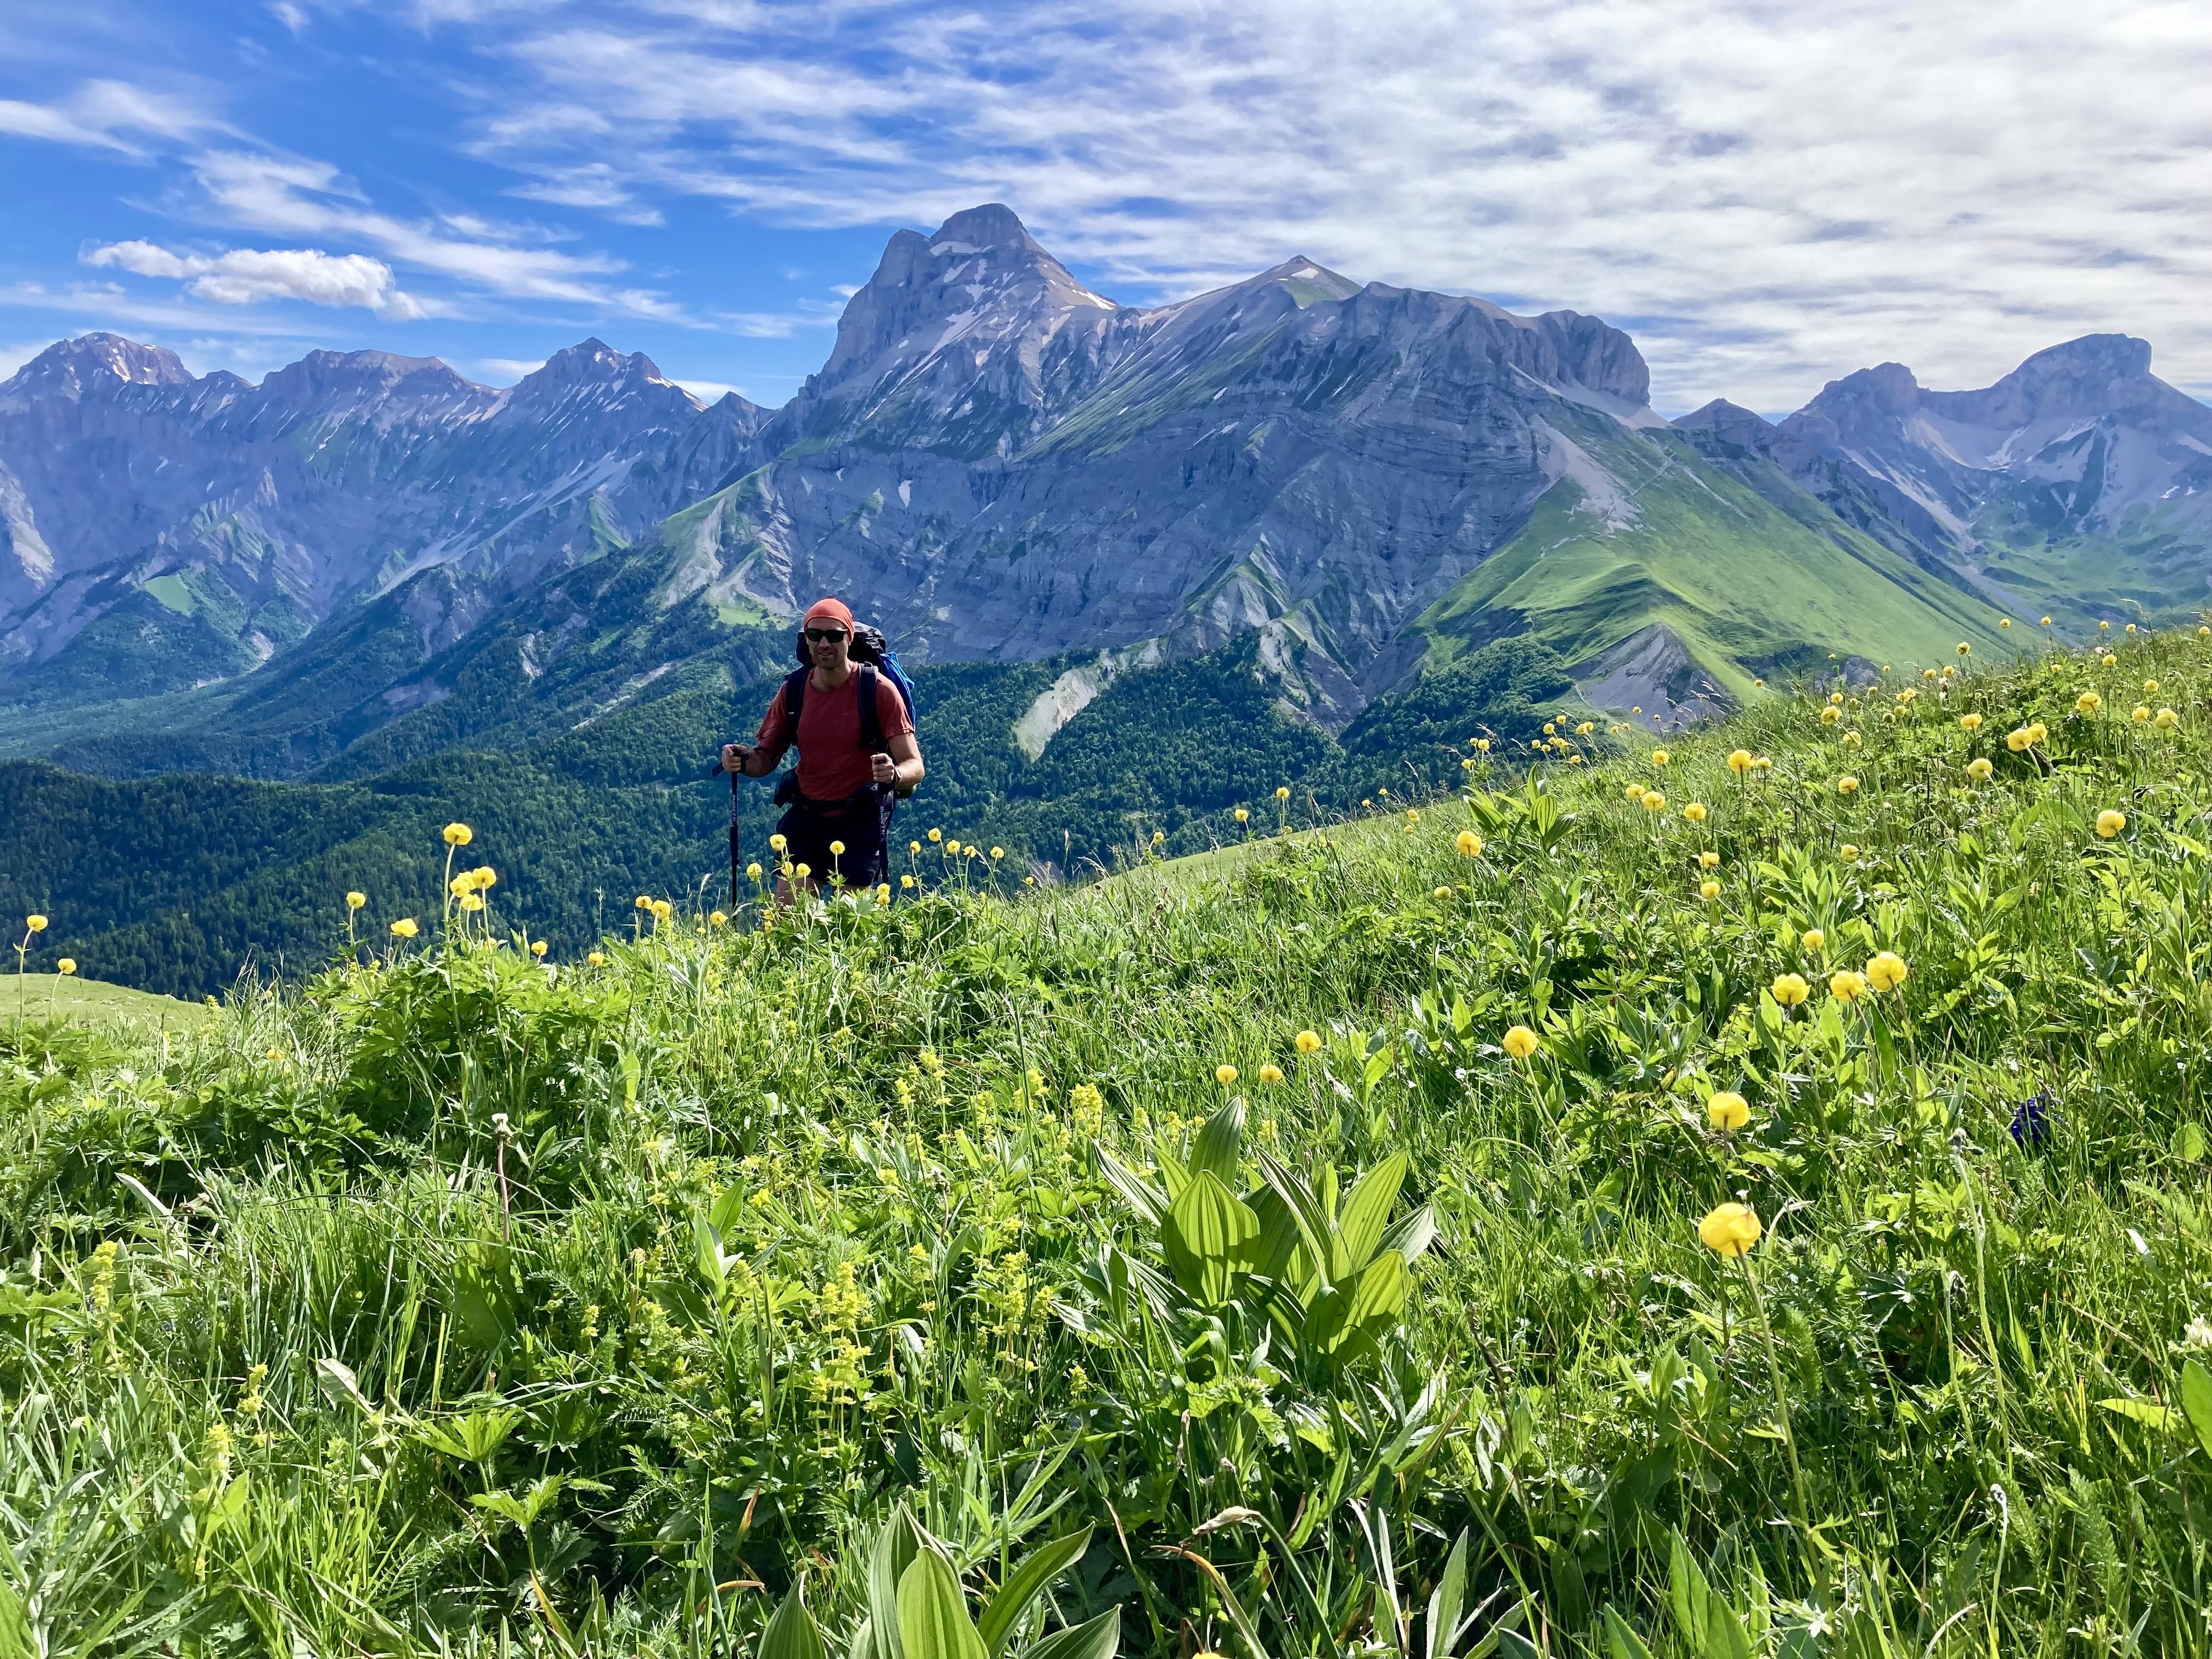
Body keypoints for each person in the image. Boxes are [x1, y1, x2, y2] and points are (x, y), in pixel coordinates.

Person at [721, 598, 922, 895]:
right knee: (788, 923)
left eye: (834, 635)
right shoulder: (794, 690)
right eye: (814, 636)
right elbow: (766, 758)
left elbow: (914, 764)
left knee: (851, 927)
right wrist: (741, 761)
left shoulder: (878, 690)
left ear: (849, 638)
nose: (824, 643)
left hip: (860, 819)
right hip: (807, 816)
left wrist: (894, 775)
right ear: (806, 640)